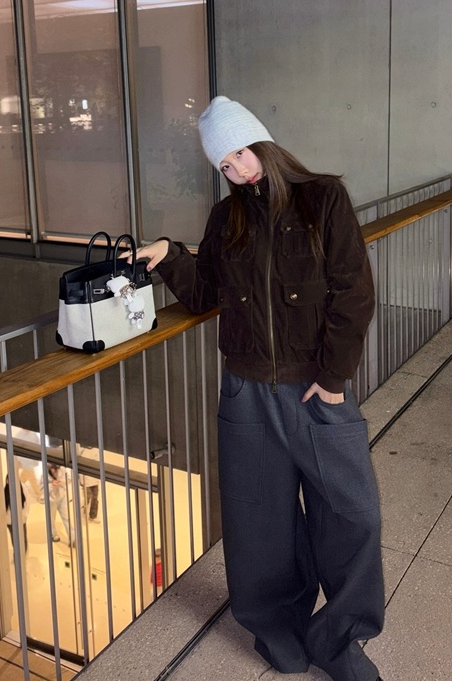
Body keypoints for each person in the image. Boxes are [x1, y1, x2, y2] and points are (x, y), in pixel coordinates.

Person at [131, 96, 385, 681]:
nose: (238, 170)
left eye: (241, 154)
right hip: (245, 393)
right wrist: (169, 256)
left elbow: (353, 292)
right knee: (260, 526)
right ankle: (278, 631)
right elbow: (207, 294)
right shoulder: (228, 219)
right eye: (224, 164)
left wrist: (333, 378)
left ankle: (340, 642)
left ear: (263, 145)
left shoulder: (323, 198)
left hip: (314, 390)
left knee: (353, 515)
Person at [47, 464, 75, 546]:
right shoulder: (43, 472)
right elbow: (40, 487)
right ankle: (53, 535)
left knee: (66, 518)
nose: (55, 471)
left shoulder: (62, 469)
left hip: (62, 497)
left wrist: (61, 481)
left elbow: (69, 479)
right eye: (53, 468)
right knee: (51, 519)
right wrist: (51, 485)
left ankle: (73, 539)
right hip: (51, 500)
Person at [4, 475, 29, 552]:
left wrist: (24, 516)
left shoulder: (23, 488)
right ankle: (17, 555)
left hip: (21, 519)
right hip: (10, 521)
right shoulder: (5, 491)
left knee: (23, 539)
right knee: (15, 540)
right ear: (7, 481)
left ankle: (23, 555)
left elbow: (27, 503)